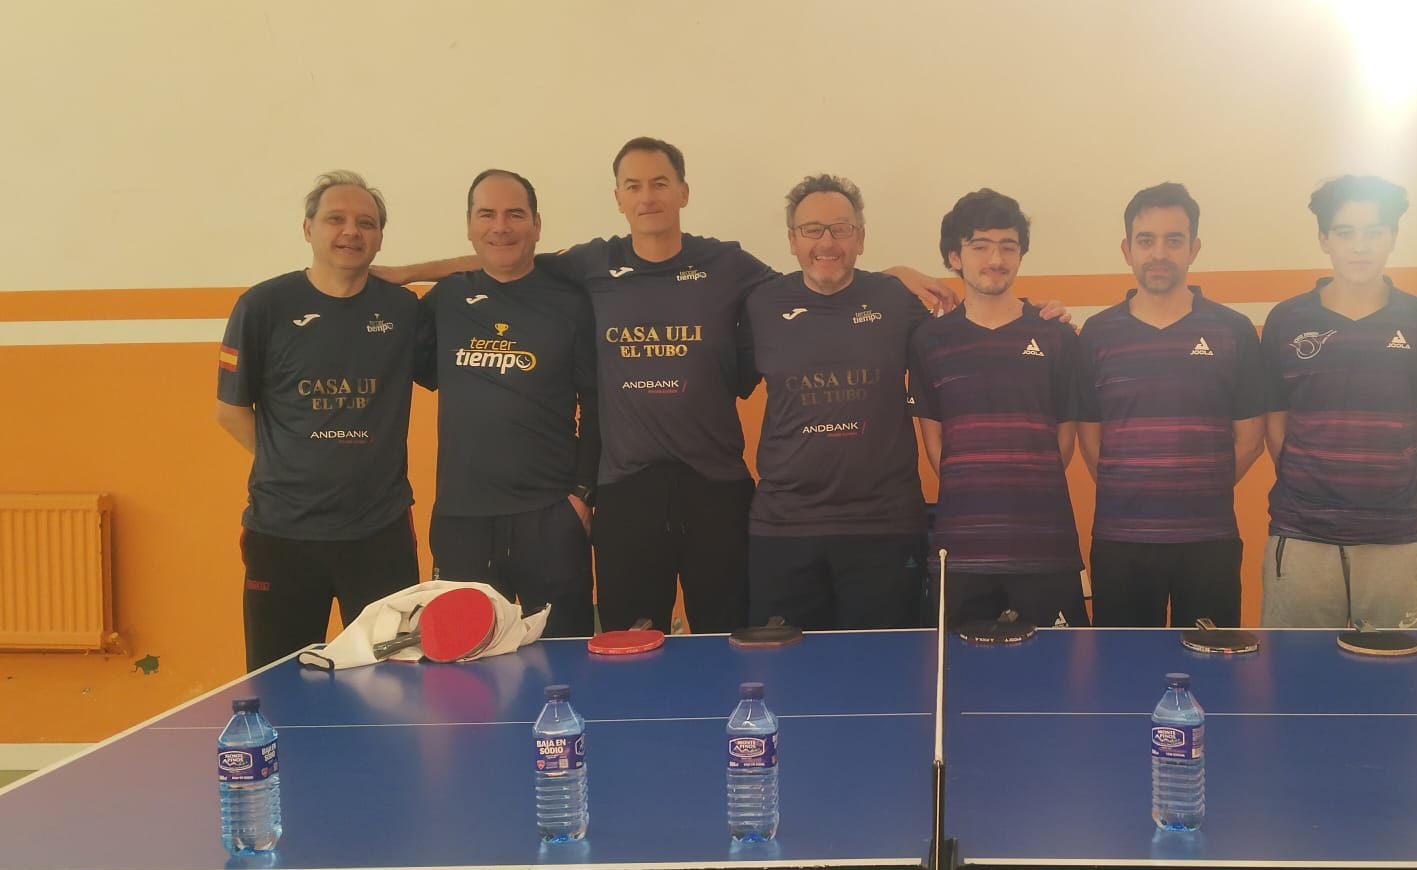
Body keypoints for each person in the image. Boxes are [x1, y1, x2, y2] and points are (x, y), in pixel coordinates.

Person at [378, 138, 954, 634]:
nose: (647, 196)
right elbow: (503, 254)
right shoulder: (592, 263)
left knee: (726, 640)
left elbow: (816, 276)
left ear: (683, 191)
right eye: (633, 185)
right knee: (630, 645)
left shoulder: (727, 264)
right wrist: (405, 273)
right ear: (618, 197)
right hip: (627, 491)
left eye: (659, 183)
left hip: (717, 488)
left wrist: (895, 275)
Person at [215, 171, 427, 670]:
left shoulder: (403, 310)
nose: (351, 231)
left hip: (381, 534)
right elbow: (230, 410)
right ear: (308, 228)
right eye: (336, 219)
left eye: (366, 223)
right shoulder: (263, 306)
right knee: (278, 686)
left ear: (380, 238)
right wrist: (293, 461)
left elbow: (500, 263)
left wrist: (414, 271)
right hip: (282, 535)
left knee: (396, 687)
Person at [1258, 175, 1417, 629]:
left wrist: (1395, 495)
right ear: (1324, 239)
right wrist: (1309, 489)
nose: (1360, 246)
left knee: (1393, 671)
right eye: (1345, 232)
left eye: (1373, 232)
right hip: (1301, 534)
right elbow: (1276, 424)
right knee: (1296, 671)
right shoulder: (1286, 321)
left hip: (1395, 536)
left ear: (1393, 237)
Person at [739, 175, 931, 629]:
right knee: (785, 669)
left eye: (841, 229)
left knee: (881, 667)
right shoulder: (760, 304)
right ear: (792, 240)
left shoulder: (896, 299)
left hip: (885, 524)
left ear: (860, 239)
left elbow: (965, 338)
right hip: (783, 527)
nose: (827, 242)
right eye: (812, 230)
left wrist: (1033, 315)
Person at [1077, 182, 1268, 628]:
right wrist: (1135, 488)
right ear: (1127, 250)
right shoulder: (1096, 334)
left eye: (1174, 240)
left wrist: (1201, 486)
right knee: (1123, 666)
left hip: (1210, 541)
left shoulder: (1234, 330)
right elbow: (1090, 437)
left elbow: (1251, 438)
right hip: (1120, 541)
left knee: (1210, 664)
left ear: (1194, 248)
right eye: (1146, 240)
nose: (1159, 253)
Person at [423, 169, 598, 637]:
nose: (500, 227)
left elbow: (597, 404)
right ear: (469, 224)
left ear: (537, 225)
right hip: (461, 520)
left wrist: (582, 495)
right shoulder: (446, 298)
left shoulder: (573, 303)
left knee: (565, 660)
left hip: (550, 517)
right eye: (487, 214)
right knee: (464, 666)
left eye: (515, 214)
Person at [908, 189, 1091, 628]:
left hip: (1045, 547)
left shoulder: (1056, 335)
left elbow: (1063, 442)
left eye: (1008, 246)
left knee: (1056, 671)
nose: (996, 258)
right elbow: (935, 446)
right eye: (980, 246)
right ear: (954, 256)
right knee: (959, 671)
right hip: (962, 552)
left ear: (1021, 254)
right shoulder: (930, 340)